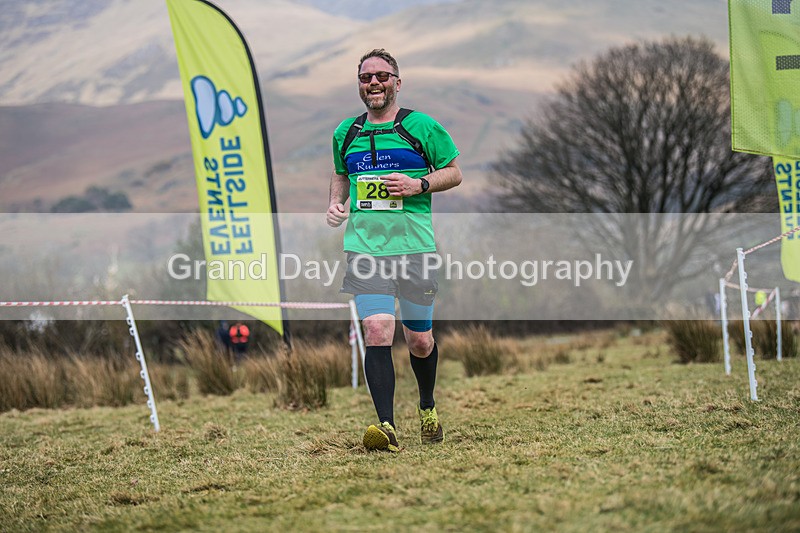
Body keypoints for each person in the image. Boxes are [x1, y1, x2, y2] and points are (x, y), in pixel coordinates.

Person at [327, 49, 462, 452]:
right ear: (359, 84)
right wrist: (337, 205)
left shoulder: (421, 127)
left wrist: (418, 185)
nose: (374, 83)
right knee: (377, 330)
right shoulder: (345, 133)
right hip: (366, 249)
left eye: (383, 76)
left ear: (397, 83)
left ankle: (427, 407)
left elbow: (454, 172)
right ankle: (386, 427)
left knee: (419, 340)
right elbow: (341, 176)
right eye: (366, 77)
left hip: (415, 249)